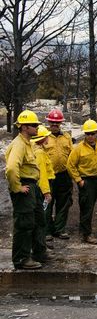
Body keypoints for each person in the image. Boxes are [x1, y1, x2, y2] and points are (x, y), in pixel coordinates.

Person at [5, 111, 49, 269]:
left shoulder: (28, 143)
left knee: (39, 220)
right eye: (34, 125)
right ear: (24, 127)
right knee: (25, 223)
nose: (37, 127)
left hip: (32, 186)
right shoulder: (19, 144)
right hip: (25, 186)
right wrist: (17, 187)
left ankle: (39, 252)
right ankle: (21, 259)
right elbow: (10, 168)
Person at [43, 108, 73, 240]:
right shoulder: (42, 137)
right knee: (47, 203)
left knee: (64, 203)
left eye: (57, 123)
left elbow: (72, 155)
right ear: (48, 122)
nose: (54, 125)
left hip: (64, 175)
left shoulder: (66, 137)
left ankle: (59, 229)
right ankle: (46, 231)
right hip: (48, 176)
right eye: (52, 123)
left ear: (61, 123)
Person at [32, 125, 55, 248]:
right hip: (42, 188)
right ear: (43, 138)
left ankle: (40, 244)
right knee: (42, 217)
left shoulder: (36, 150)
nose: (48, 139)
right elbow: (42, 175)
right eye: (47, 136)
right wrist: (46, 192)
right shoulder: (40, 153)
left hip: (38, 187)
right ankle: (41, 245)